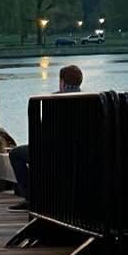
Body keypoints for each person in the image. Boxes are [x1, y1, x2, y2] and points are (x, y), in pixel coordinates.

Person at [9, 65, 84, 201]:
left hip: (54, 153)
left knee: (16, 154)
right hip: (79, 153)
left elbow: (45, 133)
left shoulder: (52, 100)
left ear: (62, 82)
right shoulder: (89, 99)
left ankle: (31, 196)